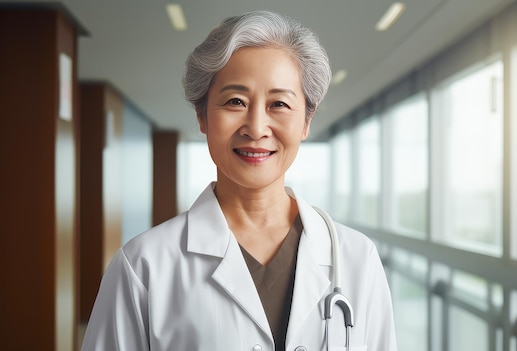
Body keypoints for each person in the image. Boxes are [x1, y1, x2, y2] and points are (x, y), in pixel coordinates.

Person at [81, 10, 397, 351]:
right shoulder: (144, 266)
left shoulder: (356, 259)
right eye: (235, 101)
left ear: (306, 121)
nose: (257, 128)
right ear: (202, 116)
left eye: (279, 104)